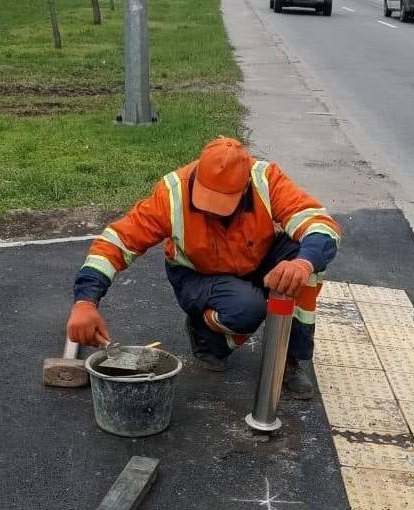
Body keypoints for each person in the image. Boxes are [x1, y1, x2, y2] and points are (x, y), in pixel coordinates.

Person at [66, 137, 341, 399]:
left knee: (308, 260)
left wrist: (303, 264)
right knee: (248, 308)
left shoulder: (265, 180)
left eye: (222, 205)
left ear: (245, 187)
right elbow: (116, 242)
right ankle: (206, 336)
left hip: (255, 260)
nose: (211, 212)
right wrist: (85, 302)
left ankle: (289, 360)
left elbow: (320, 224)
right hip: (198, 274)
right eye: (205, 201)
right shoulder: (172, 192)